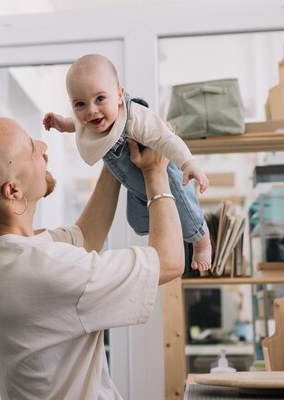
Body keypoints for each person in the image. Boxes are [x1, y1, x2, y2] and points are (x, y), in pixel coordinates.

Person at [0, 117, 184, 400]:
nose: (44, 146)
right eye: (33, 149)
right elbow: (169, 262)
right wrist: (155, 171)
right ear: (13, 190)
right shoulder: (46, 269)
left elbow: (86, 237)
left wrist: (114, 150)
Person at [43, 54, 212, 271]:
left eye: (100, 99)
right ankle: (170, 232)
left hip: (164, 174)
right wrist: (60, 123)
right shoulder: (86, 118)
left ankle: (202, 242)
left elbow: (166, 139)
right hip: (134, 181)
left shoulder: (134, 117)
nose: (91, 110)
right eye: (80, 104)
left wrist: (189, 164)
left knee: (187, 214)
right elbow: (75, 123)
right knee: (138, 222)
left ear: (120, 95)